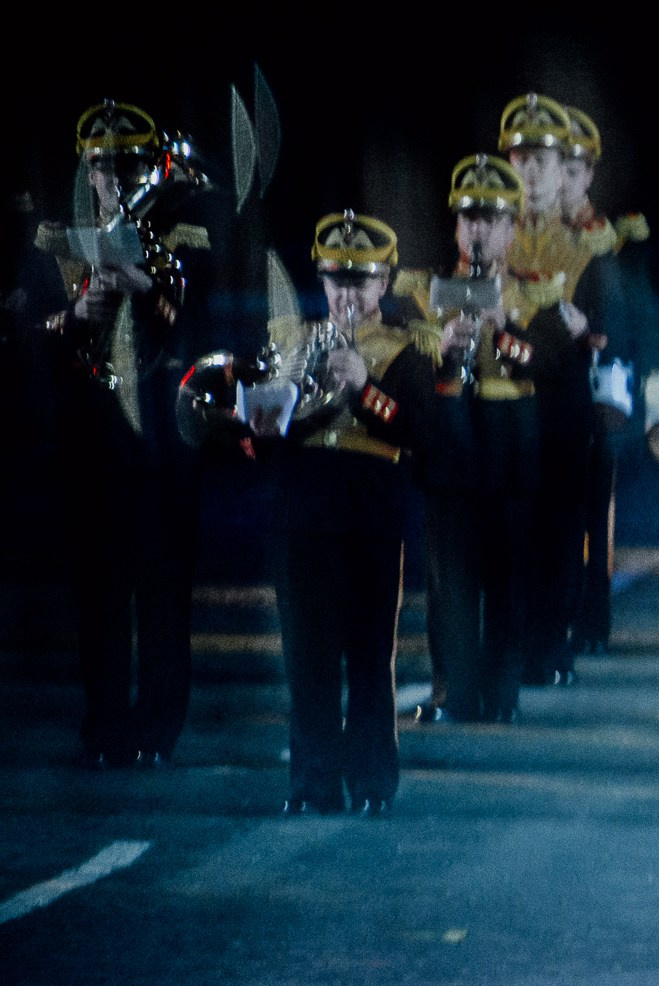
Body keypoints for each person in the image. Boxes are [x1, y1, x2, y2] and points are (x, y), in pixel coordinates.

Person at [31, 101, 217, 769]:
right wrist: (79, 311)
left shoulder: (184, 236)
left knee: (164, 591)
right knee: (99, 589)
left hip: (163, 441)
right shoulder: (61, 242)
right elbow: (34, 336)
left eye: (127, 168)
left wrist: (143, 282)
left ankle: (159, 726)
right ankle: (105, 723)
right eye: (102, 169)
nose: (114, 181)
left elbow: (196, 333)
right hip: (94, 437)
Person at [251, 212, 443, 815]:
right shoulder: (293, 340)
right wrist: (275, 410)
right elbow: (262, 437)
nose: (347, 295)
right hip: (304, 515)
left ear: (384, 284)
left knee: (367, 655)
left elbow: (421, 434)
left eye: (360, 282)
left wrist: (363, 389)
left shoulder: (407, 350)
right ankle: (311, 785)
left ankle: (371, 783)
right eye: (336, 282)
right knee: (306, 657)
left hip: (371, 515)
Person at [400, 154, 577, 724]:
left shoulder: (538, 293)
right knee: (449, 577)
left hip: (508, 447)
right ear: (456, 226)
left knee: (505, 574)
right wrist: (442, 349)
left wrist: (505, 328)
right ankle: (453, 689)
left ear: (510, 228)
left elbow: (554, 369)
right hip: (450, 444)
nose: (478, 230)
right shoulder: (427, 293)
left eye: (492, 220)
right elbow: (405, 375)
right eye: (469, 218)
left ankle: (501, 692)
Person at [501, 94, 601, 688]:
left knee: (562, 528)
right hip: (511, 403)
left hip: (564, 405)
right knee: (512, 527)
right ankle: (515, 645)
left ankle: (551, 644)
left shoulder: (589, 240)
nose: (533, 171)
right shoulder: (488, 232)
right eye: (522, 157)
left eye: (544, 159)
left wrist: (584, 327)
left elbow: (612, 326)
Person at [558, 103, 655, 656]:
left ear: (589, 174)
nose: (562, 182)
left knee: (593, 508)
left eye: (572, 170)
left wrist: (595, 334)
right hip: (545, 391)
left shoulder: (610, 238)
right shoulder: (523, 236)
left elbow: (634, 321)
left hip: (597, 392)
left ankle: (591, 617)